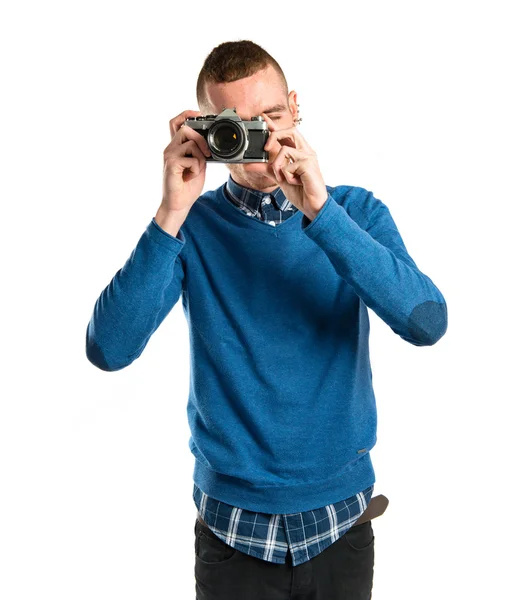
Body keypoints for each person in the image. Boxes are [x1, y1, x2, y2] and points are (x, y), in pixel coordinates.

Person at [86, 40, 448, 599]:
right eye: (234, 125)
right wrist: (171, 210)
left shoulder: (355, 212)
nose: (256, 141)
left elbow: (426, 322)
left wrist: (322, 212)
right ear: (205, 130)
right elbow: (109, 349)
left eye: (270, 118)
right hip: (232, 532)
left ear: (295, 108)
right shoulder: (191, 229)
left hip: (340, 524)